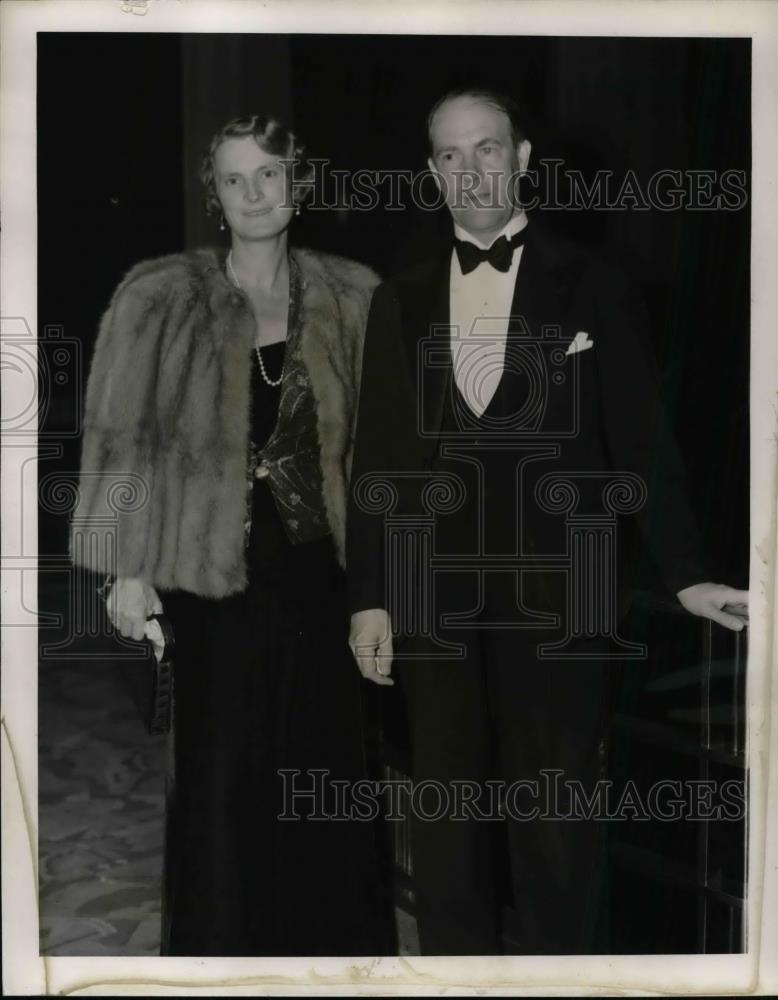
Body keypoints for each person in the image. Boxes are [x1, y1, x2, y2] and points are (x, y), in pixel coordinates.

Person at [346, 88, 749, 955]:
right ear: (432, 173)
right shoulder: (401, 299)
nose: (470, 171)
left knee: (557, 826)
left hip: (560, 602)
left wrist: (685, 572)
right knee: (447, 821)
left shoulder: (595, 283)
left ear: (522, 159)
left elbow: (645, 442)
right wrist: (371, 598)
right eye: (450, 156)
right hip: (432, 601)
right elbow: (376, 463)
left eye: (486, 149)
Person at [73, 114, 391, 957]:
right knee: (220, 782)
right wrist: (126, 569)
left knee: (325, 776)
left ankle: (331, 962)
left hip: (324, 577)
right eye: (234, 179)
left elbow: (380, 457)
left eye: (270, 175)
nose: (254, 194)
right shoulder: (160, 297)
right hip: (206, 579)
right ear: (213, 195)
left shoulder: (354, 296)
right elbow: (122, 439)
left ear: (300, 184)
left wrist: (380, 594)